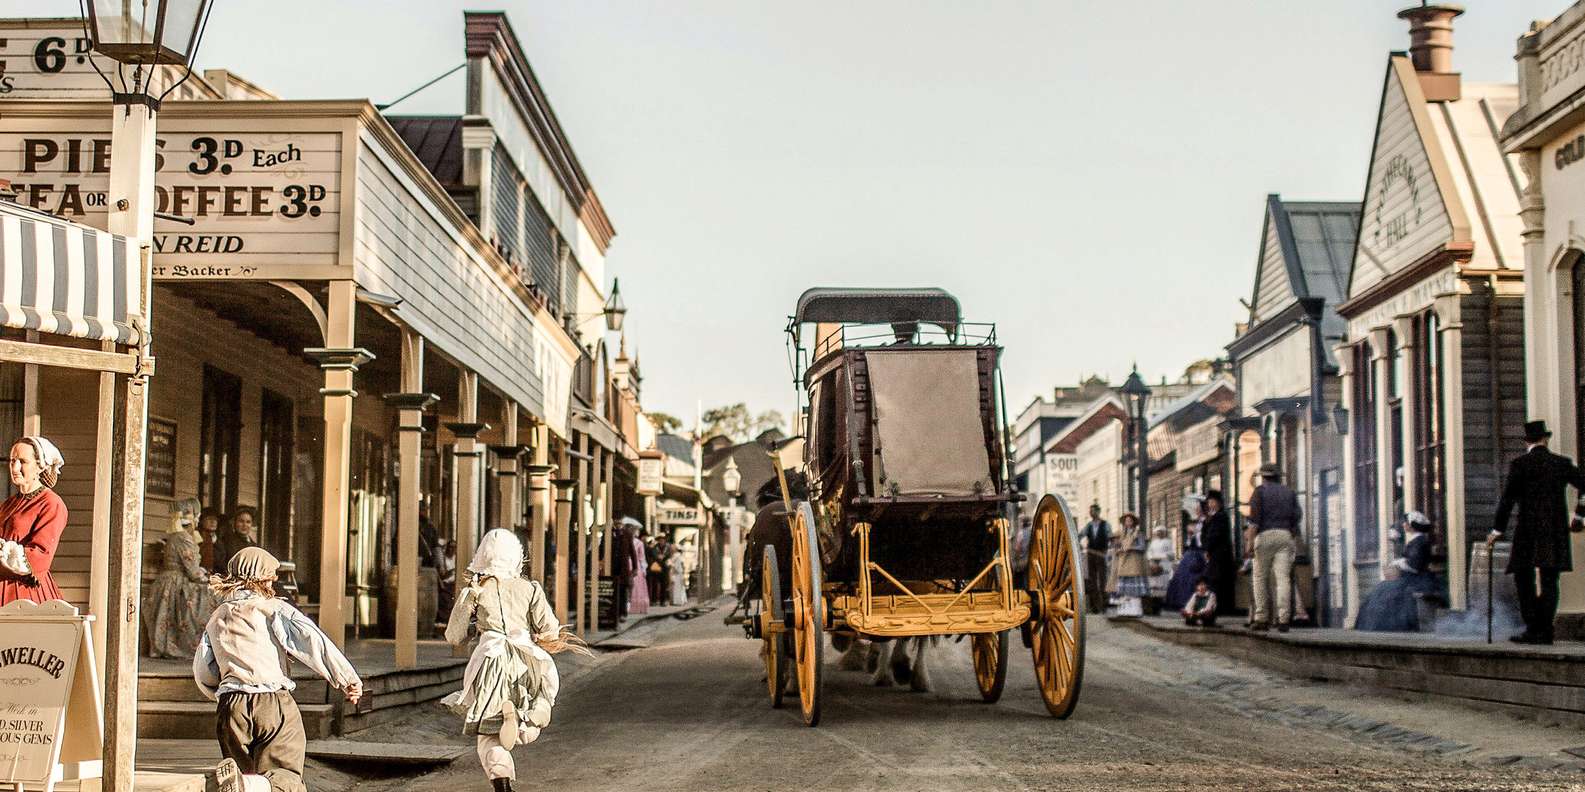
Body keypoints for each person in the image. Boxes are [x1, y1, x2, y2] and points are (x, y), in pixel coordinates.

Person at [194, 547, 362, 792]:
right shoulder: (274, 609)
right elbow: (312, 641)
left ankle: (244, 782)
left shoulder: (217, 616)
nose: (275, 580)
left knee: (244, 768)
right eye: (272, 575)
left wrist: (220, 694)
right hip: (272, 703)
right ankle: (248, 785)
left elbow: (204, 667)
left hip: (230, 707)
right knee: (285, 774)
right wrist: (347, 679)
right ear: (261, 578)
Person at [443, 529, 587, 792]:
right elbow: (550, 629)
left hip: (490, 662)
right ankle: (533, 715)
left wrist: (470, 602)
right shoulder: (530, 588)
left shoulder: (476, 591)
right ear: (517, 557)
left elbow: (454, 635)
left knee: (488, 734)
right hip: (524, 660)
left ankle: (502, 783)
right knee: (541, 692)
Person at [1489, 420, 1585, 645]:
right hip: (1554, 529)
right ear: (1545, 439)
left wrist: (1497, 529)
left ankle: (1534, 627)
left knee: (1524, 578)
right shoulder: (1561, 463)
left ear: (1527, 442)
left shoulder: (1520, 465)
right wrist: (1579, 515)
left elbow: (1507, 500)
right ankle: (1545, 628)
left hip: (1528, 530)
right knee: (1550, 580)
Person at [144, 497, 220, 659]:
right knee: (211, 597)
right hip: (175, 583)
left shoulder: (177, 535)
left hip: (168, 580)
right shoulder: (183, 538)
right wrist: (210, 579)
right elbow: (193, 572)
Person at [0, 436, 67, 606]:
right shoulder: (9, 504)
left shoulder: (51, 503)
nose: (15, 468)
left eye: (23, 461)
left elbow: (40, 556)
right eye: (12, 461)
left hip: (24, 592)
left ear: (39, 466)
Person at [1356, 512, 1439, 632]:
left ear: (1412, 525)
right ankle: (1373, 626)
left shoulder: (1420, 541)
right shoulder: (1415, 540)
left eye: (1406, 522)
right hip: (1409, 578)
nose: (1404, 524)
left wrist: (1398, 563)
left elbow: (1414, 566)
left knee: (1388, 591)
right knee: (1382, 588)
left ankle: (1390, 627)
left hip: (1417, 579)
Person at [1247, 463, 1301, 632]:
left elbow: (1254, 521)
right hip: (1285, 535)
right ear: (1278, 476)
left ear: (1263, 477)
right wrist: (1290, 533)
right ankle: (1284, 619)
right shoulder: (1289, 492)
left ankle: (1261, 617)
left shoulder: (1259, 492)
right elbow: (1297, 516)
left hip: (1264, 535)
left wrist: (1249, 543)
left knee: (1260, 577)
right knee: (1283, 579)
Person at [1199, 490, 1237, 616]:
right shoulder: (1211, 518)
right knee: (1214, 580)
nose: (1210, 504)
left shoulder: (1221, 517)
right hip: (1214, 554)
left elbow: (1215, 536)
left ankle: (1222, 608)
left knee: (1220, 581)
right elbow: (1205, 536)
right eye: (1209, 502)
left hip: (1221, 555)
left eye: (1212, 501)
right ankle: (1215, 606)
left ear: (1218, 503)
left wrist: (1207, 548)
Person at [1165, 501, 1208, 612]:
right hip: (1191, 553)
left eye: (1199, 509)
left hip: (1200, 553)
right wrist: (1191, 535)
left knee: (1193, 577)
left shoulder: (1206, 522)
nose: (1197, 511)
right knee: (1182, 576)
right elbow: (1191, 542)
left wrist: (1196, 533)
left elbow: (1203, 540)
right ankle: (1181, 602)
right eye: (1197, 509)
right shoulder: (1198, 523)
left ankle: (1193, 602)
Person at [1108, 513, 1148, 617]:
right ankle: (1125, 609)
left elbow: (1142, 547)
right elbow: (1118, 546)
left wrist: (1132, 548)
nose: (1128, 522)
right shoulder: (1122, 535)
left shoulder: (1138, 533)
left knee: (1133, 587)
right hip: (1123, 562)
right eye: (1126, 521)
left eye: (1130, 520)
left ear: (1134, 522)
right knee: (1124, 589)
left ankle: (1135, 609)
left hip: (1134, 562)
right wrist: (1118, 549)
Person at [1080, 505, 1111, 615]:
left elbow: (1110, 537)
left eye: (1093, 511)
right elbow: (1080, 535)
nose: (1091, 513)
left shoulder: (1105, 525)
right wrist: (1078, 544)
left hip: (1102, 554)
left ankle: (1104, 604)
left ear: (1098, 512)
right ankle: (1095, 606)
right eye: (1090, 511)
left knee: (1103, 579)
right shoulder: (1088, 525)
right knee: (1092, 580)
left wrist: (1108, 550)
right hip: (1091, 554)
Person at [213, 506, 261, 572]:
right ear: (234, 522)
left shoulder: (254, 546)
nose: (244, 525)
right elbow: (220, 565)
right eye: (241, 521)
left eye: (248, 522)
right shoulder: (225, 542)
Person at [1146, 525, 1176, 609]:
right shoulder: (1153, 542)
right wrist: (1151, 557)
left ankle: (1162, 602)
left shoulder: (1168, 542)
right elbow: (1149, 552)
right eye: (1157, 532)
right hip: (1154, 564)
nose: (1159, 533)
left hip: (1164, 564)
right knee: (1154, 584)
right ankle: (1153, 603)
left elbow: (1171, 553)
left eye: (1161, 532)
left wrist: (1163, 556)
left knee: (1163, 584)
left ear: (1164, 533)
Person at [628, 527, 650, 615]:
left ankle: (637, 606)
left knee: (637, 585)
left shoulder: (639, 543)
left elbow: (642, 557)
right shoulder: (625, 541)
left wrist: (644, 568)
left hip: (635, 564)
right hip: (627, 564)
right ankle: (628, 606)